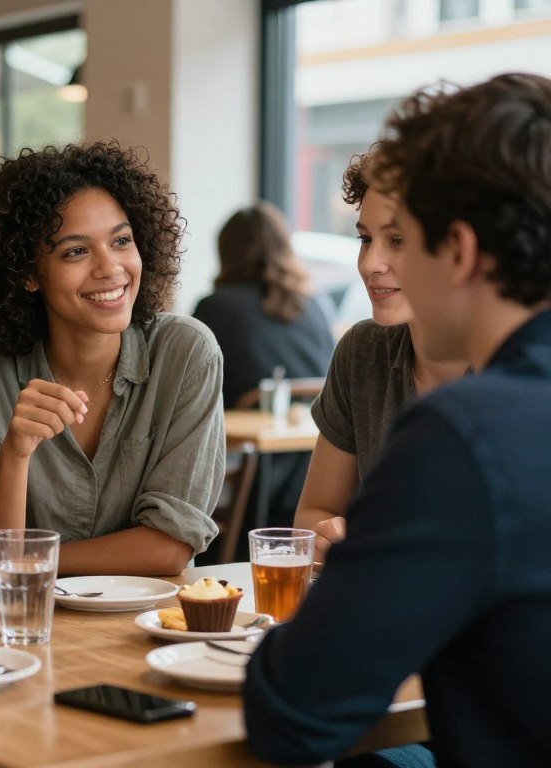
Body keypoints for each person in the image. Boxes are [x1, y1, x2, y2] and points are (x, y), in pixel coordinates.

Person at [244, 72, 551, 767]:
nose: (380, 267)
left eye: (405, 238)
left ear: (461, 251)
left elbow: (295, 711)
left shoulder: (465, 433)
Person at [0, 142, 226, 581]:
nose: (111, 268)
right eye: (76, 251)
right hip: (23, 631)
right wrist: (15, 452)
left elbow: (169, 548)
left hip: (154, 630)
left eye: (122, 241)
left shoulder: (185, 353)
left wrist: (29, 563)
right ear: (28, 274)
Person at [294, 147, 468, 571]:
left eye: (397, 241)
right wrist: (333, 538)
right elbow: (311, 515)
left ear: (459, 249)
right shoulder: (363, 351)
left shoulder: (522, 366)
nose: (370, 263)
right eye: (365, 239)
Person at [193, 202, 333, 557]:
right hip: (310, 477)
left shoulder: (215, 308)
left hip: (242, 481)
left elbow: (192, 394)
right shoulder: (313, 307)